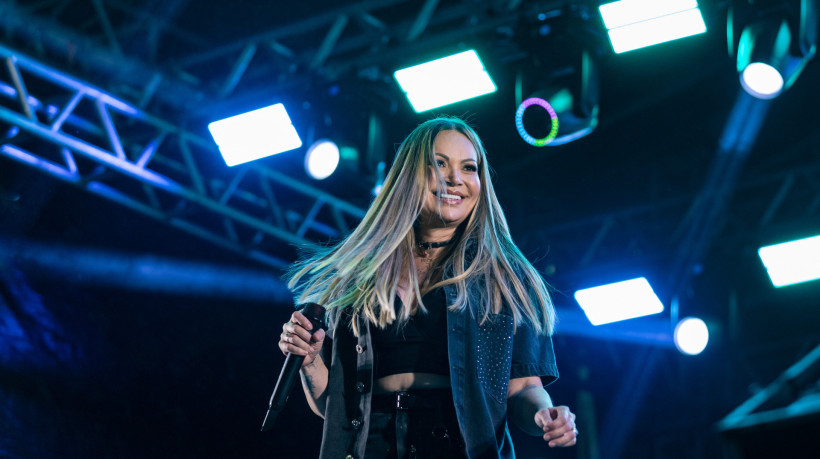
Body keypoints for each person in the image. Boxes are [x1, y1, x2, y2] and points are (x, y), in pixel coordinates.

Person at [278, 116, 577, 458]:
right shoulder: (359, 277)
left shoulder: (503, 279)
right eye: (439, 164)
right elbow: (333, 409)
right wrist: (310, 361)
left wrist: (545, 414)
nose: (455, 179)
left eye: (469, 168)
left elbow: (524, 387)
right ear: (410, 176)